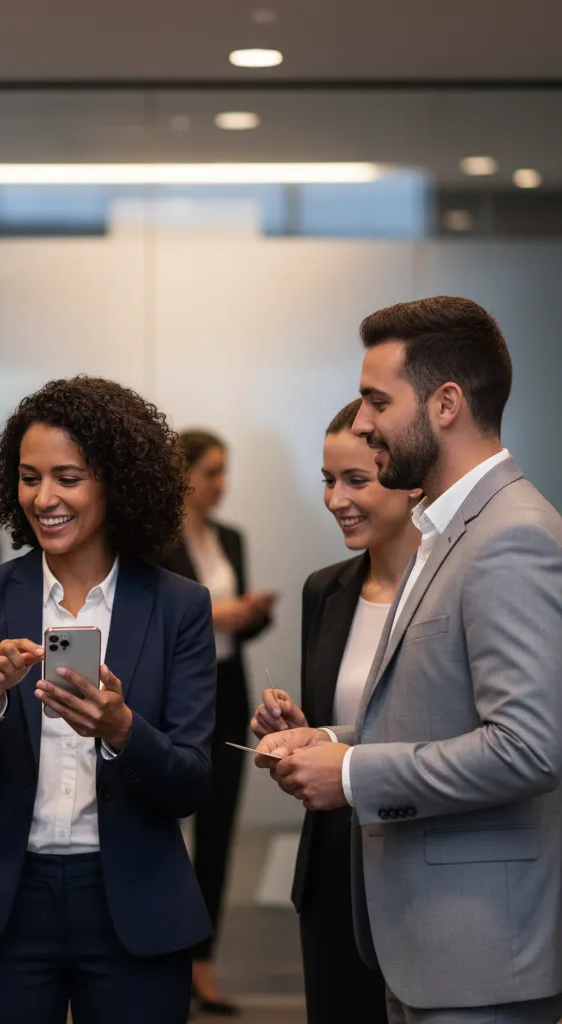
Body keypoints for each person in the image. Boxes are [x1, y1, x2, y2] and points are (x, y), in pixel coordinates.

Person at [255, 297, 562, 1024]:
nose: (362, 424)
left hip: (481, 958)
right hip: (424, 950)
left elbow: (531, 747)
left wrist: (353, 774)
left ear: (446, 403)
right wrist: (329, 742)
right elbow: (439, 713)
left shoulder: (511, 537)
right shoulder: (446, 533)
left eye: (377, 401)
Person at [0, 376, 218, 1024]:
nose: (44, 498)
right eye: (29, 477)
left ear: (116, 481)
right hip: (3, 904)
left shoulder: (179, 607)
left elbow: (193, 784)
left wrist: (122, 729)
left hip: (133, 904)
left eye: (68, 477)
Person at [251, 398, 419, 1023]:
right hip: (332, 873)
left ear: (411, 481)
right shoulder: (326, 589)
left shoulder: (456, 589)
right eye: (327, 480)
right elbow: (341, 727)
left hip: (420, 866)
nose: (335, 499)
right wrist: (299, 734)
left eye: (356, 480)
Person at [160, 429, 274, 1015]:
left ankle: (203, 961)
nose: (221, 483)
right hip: (173, 697)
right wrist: (216, 613)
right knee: (163, 830)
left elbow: (237, 626)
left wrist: (250, 616)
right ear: (184, 475)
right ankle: (165, 953)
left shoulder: (231, 537)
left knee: (219, 832)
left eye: (226, 471)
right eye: (211, 471)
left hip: (226, 694)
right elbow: (157, 621)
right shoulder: (154, 540)